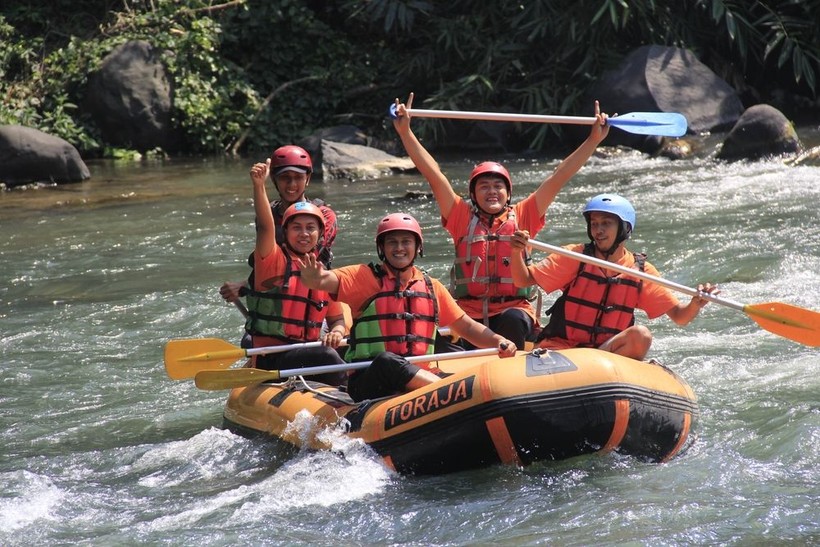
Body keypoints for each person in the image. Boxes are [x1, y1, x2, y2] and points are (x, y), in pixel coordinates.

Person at [391, 93, 610, 350]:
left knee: (511, 320)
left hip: (515, 311)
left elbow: (559, 175)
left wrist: (593, 140)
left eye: (498, 186)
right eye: (484, 186)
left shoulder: (526, 213)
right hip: (467, 314)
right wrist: (405, 132)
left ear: (508, 193)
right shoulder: (460, 215)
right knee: (434, 337)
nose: (492, 191)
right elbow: (433, 174)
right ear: (473, 194)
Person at [298, 212, 517, 402]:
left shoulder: (432, 287)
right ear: (382, 248)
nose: (399, 248)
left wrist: (499, 340)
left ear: (417, 247)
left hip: (421, 379)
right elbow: (326, 281)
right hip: (371, 380)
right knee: (386, 361)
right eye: (392, 242)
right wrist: (313, 280)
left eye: (406, 242)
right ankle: (447, 392)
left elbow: (467, 327)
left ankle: (446, 393)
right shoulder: (365, 278)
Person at [509, 193, 720, 360]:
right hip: (562, 349)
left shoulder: (640, 271)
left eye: (606, 223)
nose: (598, 230)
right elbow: (523, 280)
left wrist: (695, 303)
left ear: (624, 229)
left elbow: (680, 316)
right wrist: (516, 251)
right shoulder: (576, 255)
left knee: (641, 336)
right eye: (594, 224)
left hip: (605, 355)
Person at [244, 158, 348, 385]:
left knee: (342, 350)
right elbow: (265, 226)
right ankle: (353, 401)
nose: (304, 234)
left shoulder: (323, 275)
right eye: (296, 228)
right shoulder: (272, 260)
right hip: (272, 358)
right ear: (285, 231)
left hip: (306, 354)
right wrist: (259, 185)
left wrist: (337, 333)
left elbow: (338, 319)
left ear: (320, 234)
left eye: (310, 228)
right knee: (327, 356)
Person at [219, 145, 337, 305]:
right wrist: (258, 185)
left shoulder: (324, 216)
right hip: (274, 295)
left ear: (307, 178)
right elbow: (266, 259)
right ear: (274, 179)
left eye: (298, 177)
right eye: (285, 177)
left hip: (312, 296)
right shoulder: (268, 215)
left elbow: (302, 262)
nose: (292, 184)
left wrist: (245, 285)